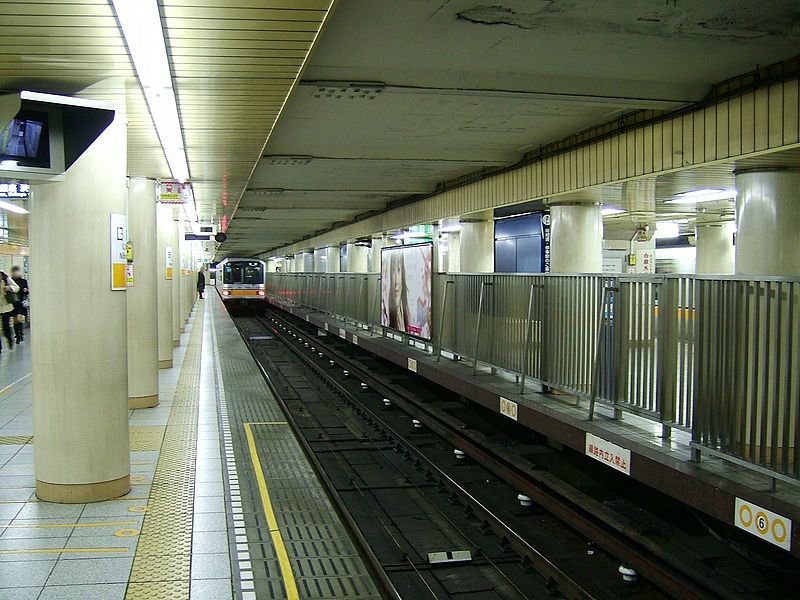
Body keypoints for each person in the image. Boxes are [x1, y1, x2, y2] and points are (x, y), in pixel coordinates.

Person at [0, 271, 19, 352]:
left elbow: (17, 287)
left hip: (5, 307)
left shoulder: (6, 278)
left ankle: (10, 339)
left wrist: (9, 288)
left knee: (5, 326)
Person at [10, 266, 28, 343]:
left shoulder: (24, 281)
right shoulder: (10, 281)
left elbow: (27, 291)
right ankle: (18, 335)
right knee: (15, 320)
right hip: (14, 302)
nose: (15, 273)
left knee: (19, 318)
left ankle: (20, 334)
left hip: (21, 302)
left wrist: (25, 290)